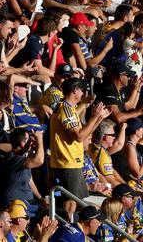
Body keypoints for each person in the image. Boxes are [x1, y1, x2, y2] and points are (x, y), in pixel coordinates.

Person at [49, 77, 110, 217]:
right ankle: (68, 225)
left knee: (75, 200)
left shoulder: (70, 109)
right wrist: (94, 117)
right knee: (71, 200)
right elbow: (79, 136)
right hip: (67, 162)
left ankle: (70, 223)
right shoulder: (65, 109)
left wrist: (99, 118)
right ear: (74, 91)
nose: (84, 93)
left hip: (73, 161)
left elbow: (84, 132)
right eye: (82, 90)